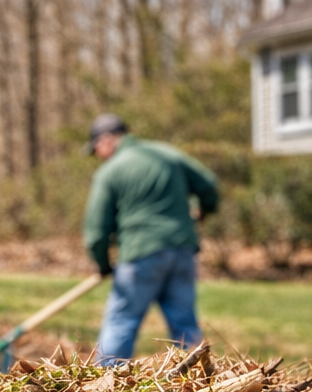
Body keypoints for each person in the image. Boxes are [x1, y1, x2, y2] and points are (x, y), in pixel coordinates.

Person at [82, 113, 220, 365]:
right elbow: (208, 185)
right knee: (184, 323)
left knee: (122, 321)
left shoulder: (111, 171)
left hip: (140, 255)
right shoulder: (167, 155)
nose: (98, 156)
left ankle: (103, 384)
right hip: (181, 251)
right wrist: (203, 211)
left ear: (106, 140)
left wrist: (102, 264)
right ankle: (199, 381)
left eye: (96, 149)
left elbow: (96, 232)